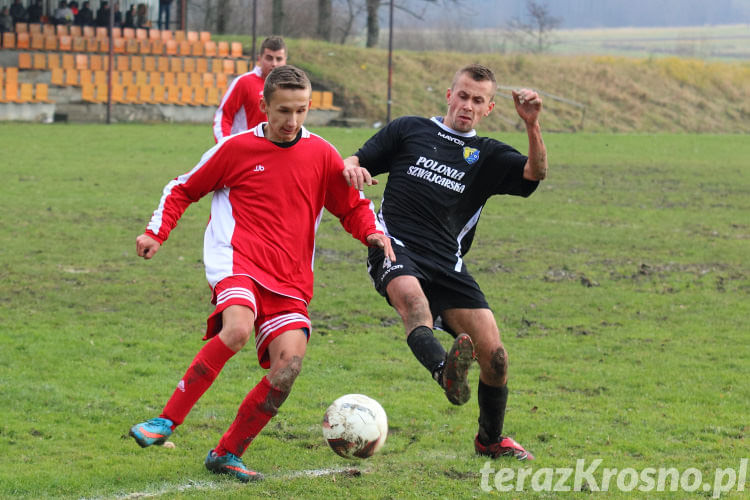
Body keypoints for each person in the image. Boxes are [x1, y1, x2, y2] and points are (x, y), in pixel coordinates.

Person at [128, 65, 395, 483]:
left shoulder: (322, 154)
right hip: (238, 260)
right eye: (284, 110)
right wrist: (155, 233)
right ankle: (165, 421)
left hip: (289, 278)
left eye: (301, 111)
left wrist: (372, 234)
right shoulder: (235, 149)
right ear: (263, 105)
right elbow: (183, 188)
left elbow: (353, 206)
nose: (292, 121)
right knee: (236, 329)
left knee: (288, 366)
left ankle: (227, 452)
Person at [342, 64, 548, 462]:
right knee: (414, 305)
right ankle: (445, 372)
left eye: (478, 100)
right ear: (449, 95)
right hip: (394, 245)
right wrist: (351, 166)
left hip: (447, 263)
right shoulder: (408, 130)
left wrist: (532, 125)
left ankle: (490, 439)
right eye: (463, 96)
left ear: (488, 108)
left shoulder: (488, 155)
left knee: (497, 358)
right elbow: (358, 156)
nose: (467, 106)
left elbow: (534, 173)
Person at [212, 35, 287, 143]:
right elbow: (223, 116)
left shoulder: (288, 87)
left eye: (278, 59)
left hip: (273, 153)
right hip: (245, 152)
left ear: (285, 61)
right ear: (260, 58)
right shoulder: (244, 82)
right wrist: (223, 145)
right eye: (269, 58)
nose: (274, 64)